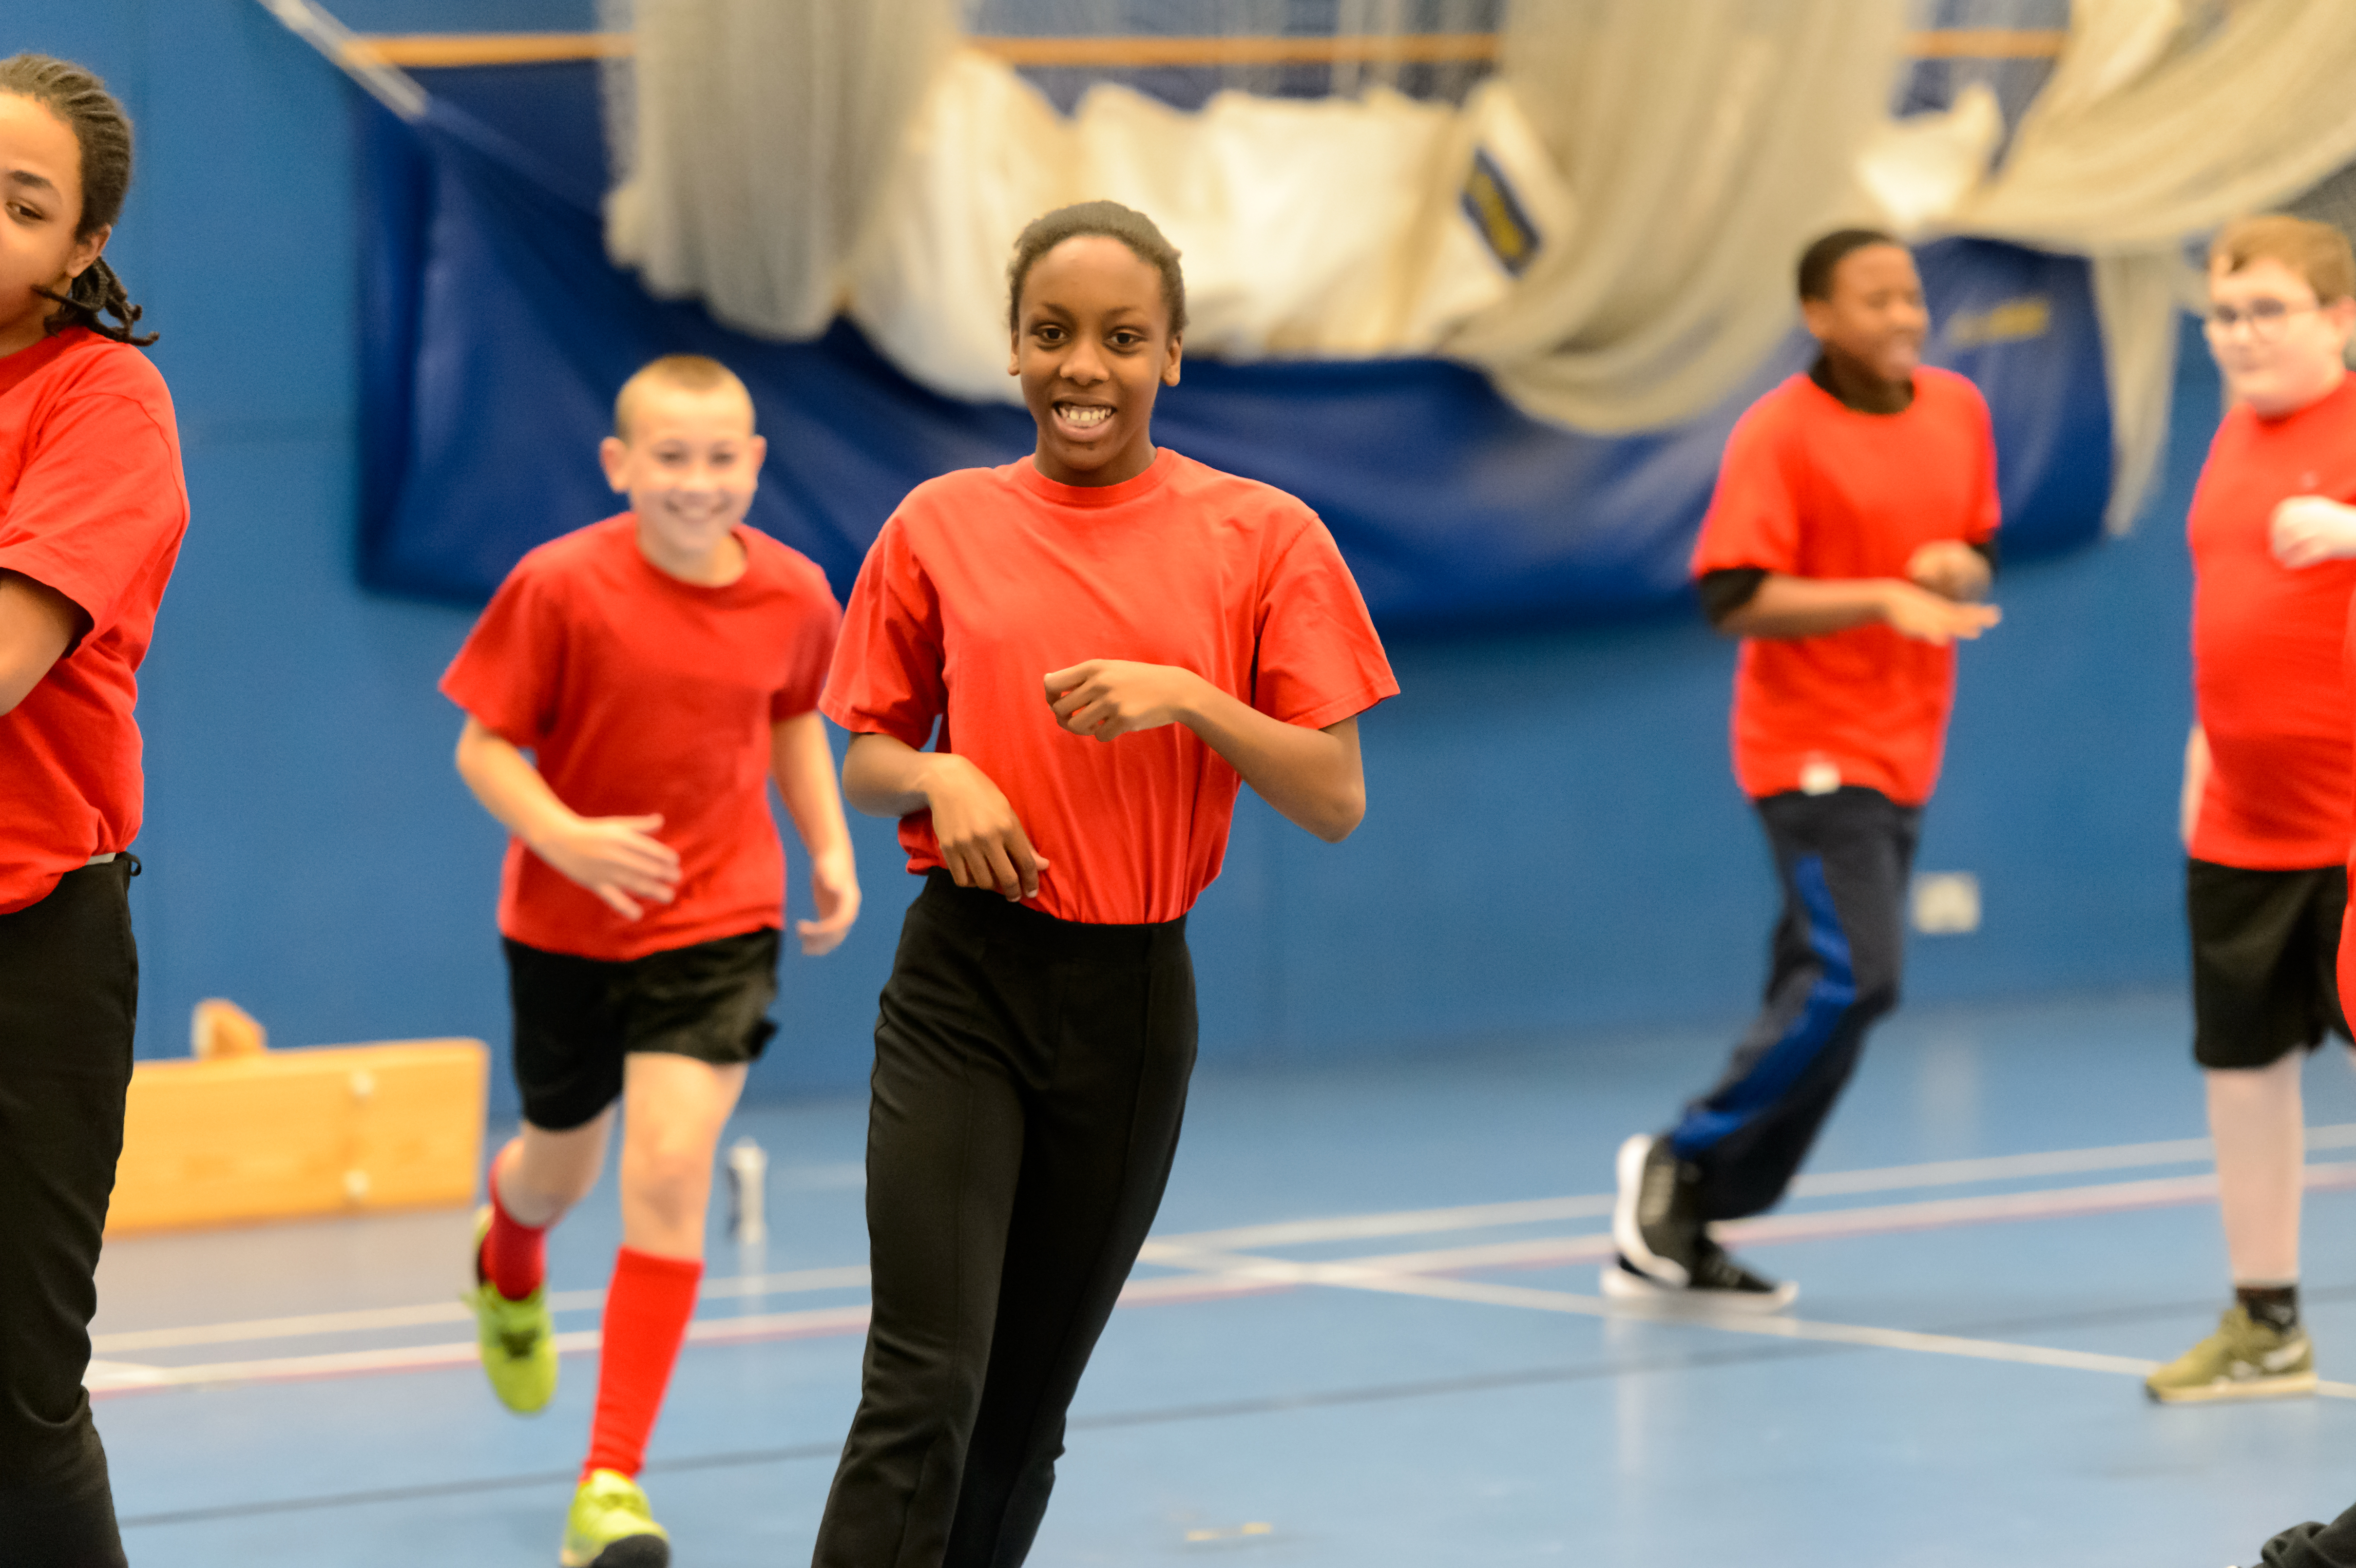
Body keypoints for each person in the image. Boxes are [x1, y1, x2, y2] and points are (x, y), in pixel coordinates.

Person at [809, 200, 1398, 1568]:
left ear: (1172, 355)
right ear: (1011, 352)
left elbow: (1332, 795)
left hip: (1132, 1005)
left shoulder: (1262, 536)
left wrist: (1190, 698)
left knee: (1023, 1407)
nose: (1086, 366)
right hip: (966, 981)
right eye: (1053, 334)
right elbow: (865, 758)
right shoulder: (936, 524)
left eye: (1122, 338)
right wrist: (939, 778)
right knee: (926, 1378)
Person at [440, 353, 858, 1568]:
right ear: (621, 466)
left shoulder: (794, 592)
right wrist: (566, 835)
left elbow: (790, 712)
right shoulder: (559, 585)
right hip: (565, 925)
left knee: (670, 1165)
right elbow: (484, 750)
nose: (697, 481)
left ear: (755, 465)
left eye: (721, 457)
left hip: (720, 913)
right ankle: (505, 1253)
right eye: (670, 458)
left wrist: (826, 843)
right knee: (557, 1170)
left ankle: (611, 1481)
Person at [1609, 228, 2002, 1310]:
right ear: (1818, 316)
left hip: (1908, 742)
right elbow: (1734, 595)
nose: (1901, 317)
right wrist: (1881, 593)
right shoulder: (1779, 433)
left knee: (1822, 989)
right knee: (1858, 975)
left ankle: (1688, 1220)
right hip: (1812, 749)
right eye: (1872, 300)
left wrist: (1950, 566)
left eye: (1911, 296)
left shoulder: (1959, 411)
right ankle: (1682, 1156)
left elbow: (1978, 550)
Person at [0, 52, 185, 1568]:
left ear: (83, 249)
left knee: (14, 1405)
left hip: (27, 950)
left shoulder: (102, 402)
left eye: (22, 203)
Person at [2142, 214, 2356, 1405]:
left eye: (2267, 311)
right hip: (2244, 821)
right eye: (2223, 316)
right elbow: (2230, 614)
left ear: (2340, 319)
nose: (2239, 337)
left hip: (2353, 828)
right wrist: (2201, 751)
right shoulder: (2230, 438)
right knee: (2242, 1069)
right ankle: (2266, 1322)